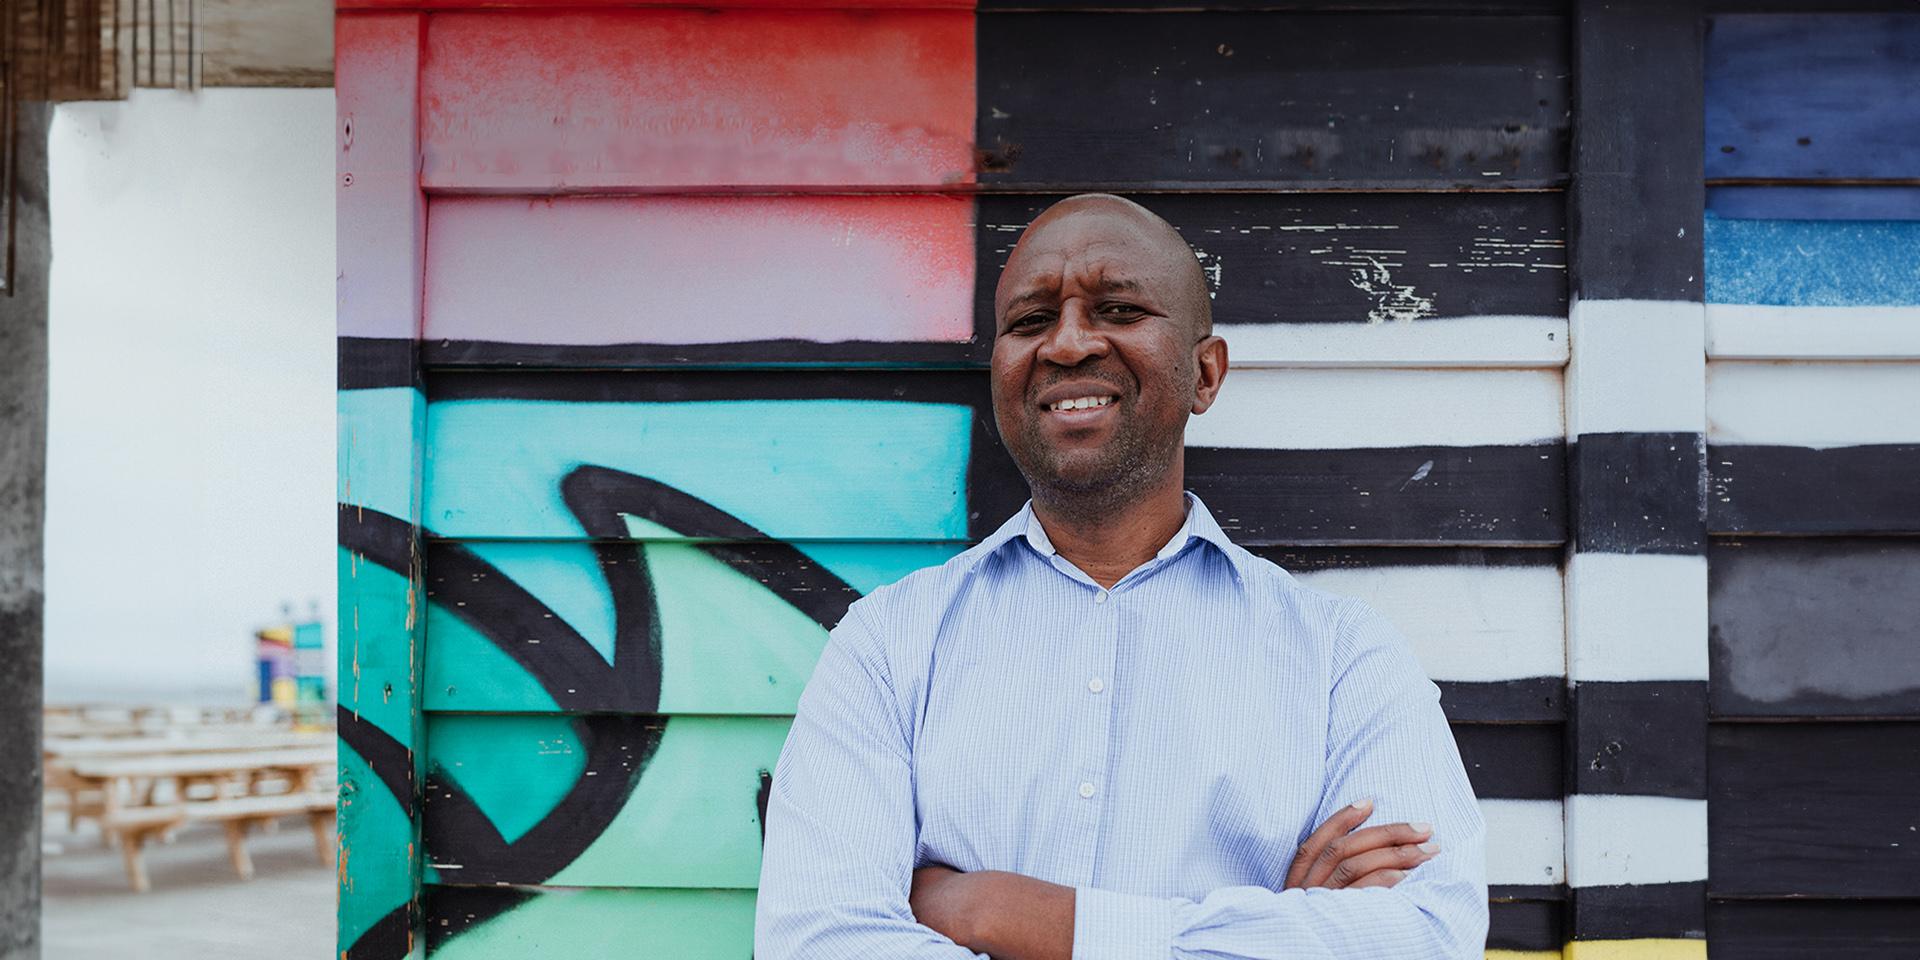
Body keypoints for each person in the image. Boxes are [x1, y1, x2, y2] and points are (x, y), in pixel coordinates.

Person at [754, 194, 1487, 959]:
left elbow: (1427, 938)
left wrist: (1011, 913)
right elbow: (820, 941)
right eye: (1031, 321)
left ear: (1205, 375)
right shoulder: (889, 646)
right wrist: (1265, 931)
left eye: (1119, 309)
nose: (1067, 345)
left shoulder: (1343, 659)